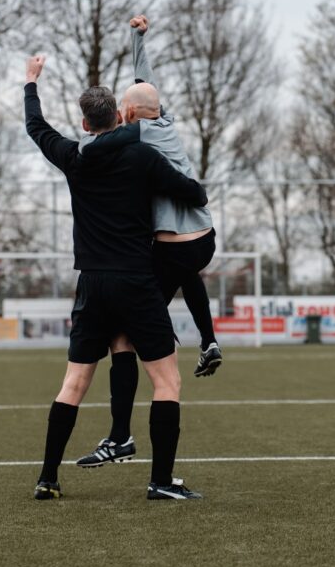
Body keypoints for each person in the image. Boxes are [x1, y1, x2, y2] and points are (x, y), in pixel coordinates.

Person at [23, 53, 205, 501]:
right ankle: (161, 483)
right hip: (137, 282)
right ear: (119, 116)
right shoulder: (142, 156)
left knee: (73, 383)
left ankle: (48, 479)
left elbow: (36, 127)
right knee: (167, 382)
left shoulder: (73, 157)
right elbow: (192, 191)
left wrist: (31, 83)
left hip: (92, 286)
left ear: (85, 124)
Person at [73, 15, 223, 470]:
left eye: (124, 107)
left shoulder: (135, 133)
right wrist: (137, 37)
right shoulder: (164, 119)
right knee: (182, 277)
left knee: (122, 333)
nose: (120, 110)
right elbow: (146, 82)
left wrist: (79, 142)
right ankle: (210, 341)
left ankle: (120, 436)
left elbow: (96, 143)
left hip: (174, 243)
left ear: (131, 114)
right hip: (201, 238)